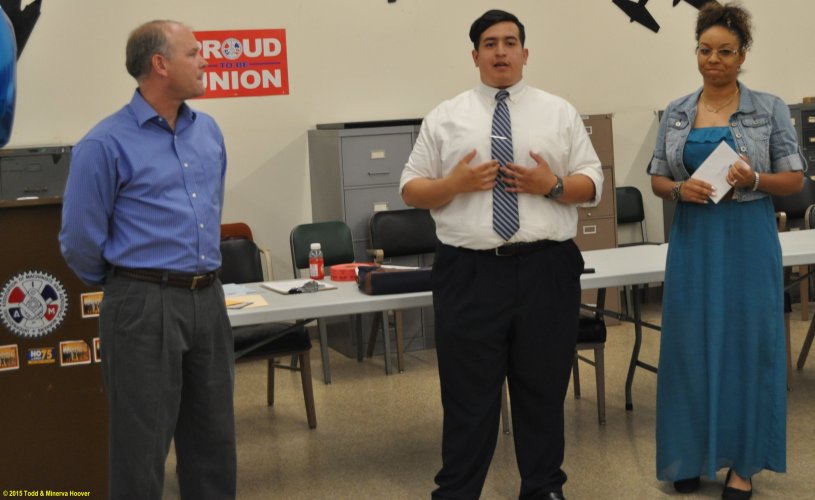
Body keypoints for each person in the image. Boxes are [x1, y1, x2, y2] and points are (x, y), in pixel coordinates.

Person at [400, 9, 603, 500]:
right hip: (469, 273)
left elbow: (593, 182)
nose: (501, 52)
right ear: (475, 56)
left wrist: (551, 185)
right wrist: (453, 184)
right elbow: (410, 188)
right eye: (490, 44)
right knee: (468, 396)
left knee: (543, 389)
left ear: (525, 53)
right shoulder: (446, 116)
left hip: (545, 268)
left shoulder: (559, 112)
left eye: (510, 42)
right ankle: (457, 491)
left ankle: (543, 487)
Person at [59, 20, 236, 500]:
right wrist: (130, 284)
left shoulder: (209, 132)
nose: (204, 61)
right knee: (140, 450)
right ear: (160, 64)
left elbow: (212, 205)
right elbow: (78, 240)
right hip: (142, 304)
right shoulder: (104, 144)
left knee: (215, 443)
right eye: (193, 53)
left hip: (208, 298)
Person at [648, 3, 805, 499]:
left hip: (748, 240)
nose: (713, 60)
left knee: (747, 345)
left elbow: (795, 179)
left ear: (742, 56)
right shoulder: (676, 111)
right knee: (688, 346)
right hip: (693, 241)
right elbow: (657, 179)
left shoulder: (769, 108)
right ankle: (689, 454)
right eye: (705, 50)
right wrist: (679, 190)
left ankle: (743, 464)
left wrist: (754, 178)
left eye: (725, 51)